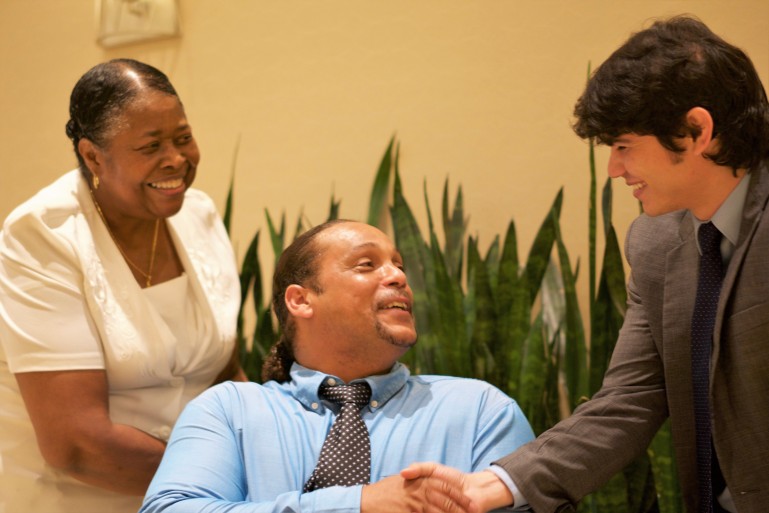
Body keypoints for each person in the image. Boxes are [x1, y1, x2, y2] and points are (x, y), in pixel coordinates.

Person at [401, 15, 769, 513]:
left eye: (623, 147)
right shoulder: (655, 244)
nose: (615, 169)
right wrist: (491, 486)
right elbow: (629, 401)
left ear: (696, 130)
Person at [139, 219, 535, 513]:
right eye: (367, 264)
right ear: (301, 300)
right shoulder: (228, 411)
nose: (397, 276)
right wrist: (360, 504)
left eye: (399, 266)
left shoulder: (481, 410)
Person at [0, 59, 245, 513]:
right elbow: (77, 444)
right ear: (94, 155)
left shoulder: (199, 214)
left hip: (202, 498)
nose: (176, 159)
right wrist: (232, 477)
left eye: (183, 137)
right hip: (75, 499)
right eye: (151, 145)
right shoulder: (41, 236)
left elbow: (226, 374)